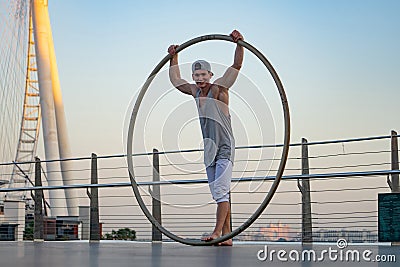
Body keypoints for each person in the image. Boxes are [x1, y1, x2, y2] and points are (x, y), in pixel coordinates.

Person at [168, 30, 244, 246]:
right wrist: (174, 57)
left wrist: (239, 44)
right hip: (209, 150)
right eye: (197, 75)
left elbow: (236, 67)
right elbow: (175, 80)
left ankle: (218, 233)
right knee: (220, 194)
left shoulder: (219, 89)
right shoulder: (195, 92)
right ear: (194, 77)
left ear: (210, 75)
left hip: (224, 148)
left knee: (220, 193)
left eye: (204, 75)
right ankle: (227, 237)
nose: (200, 79)